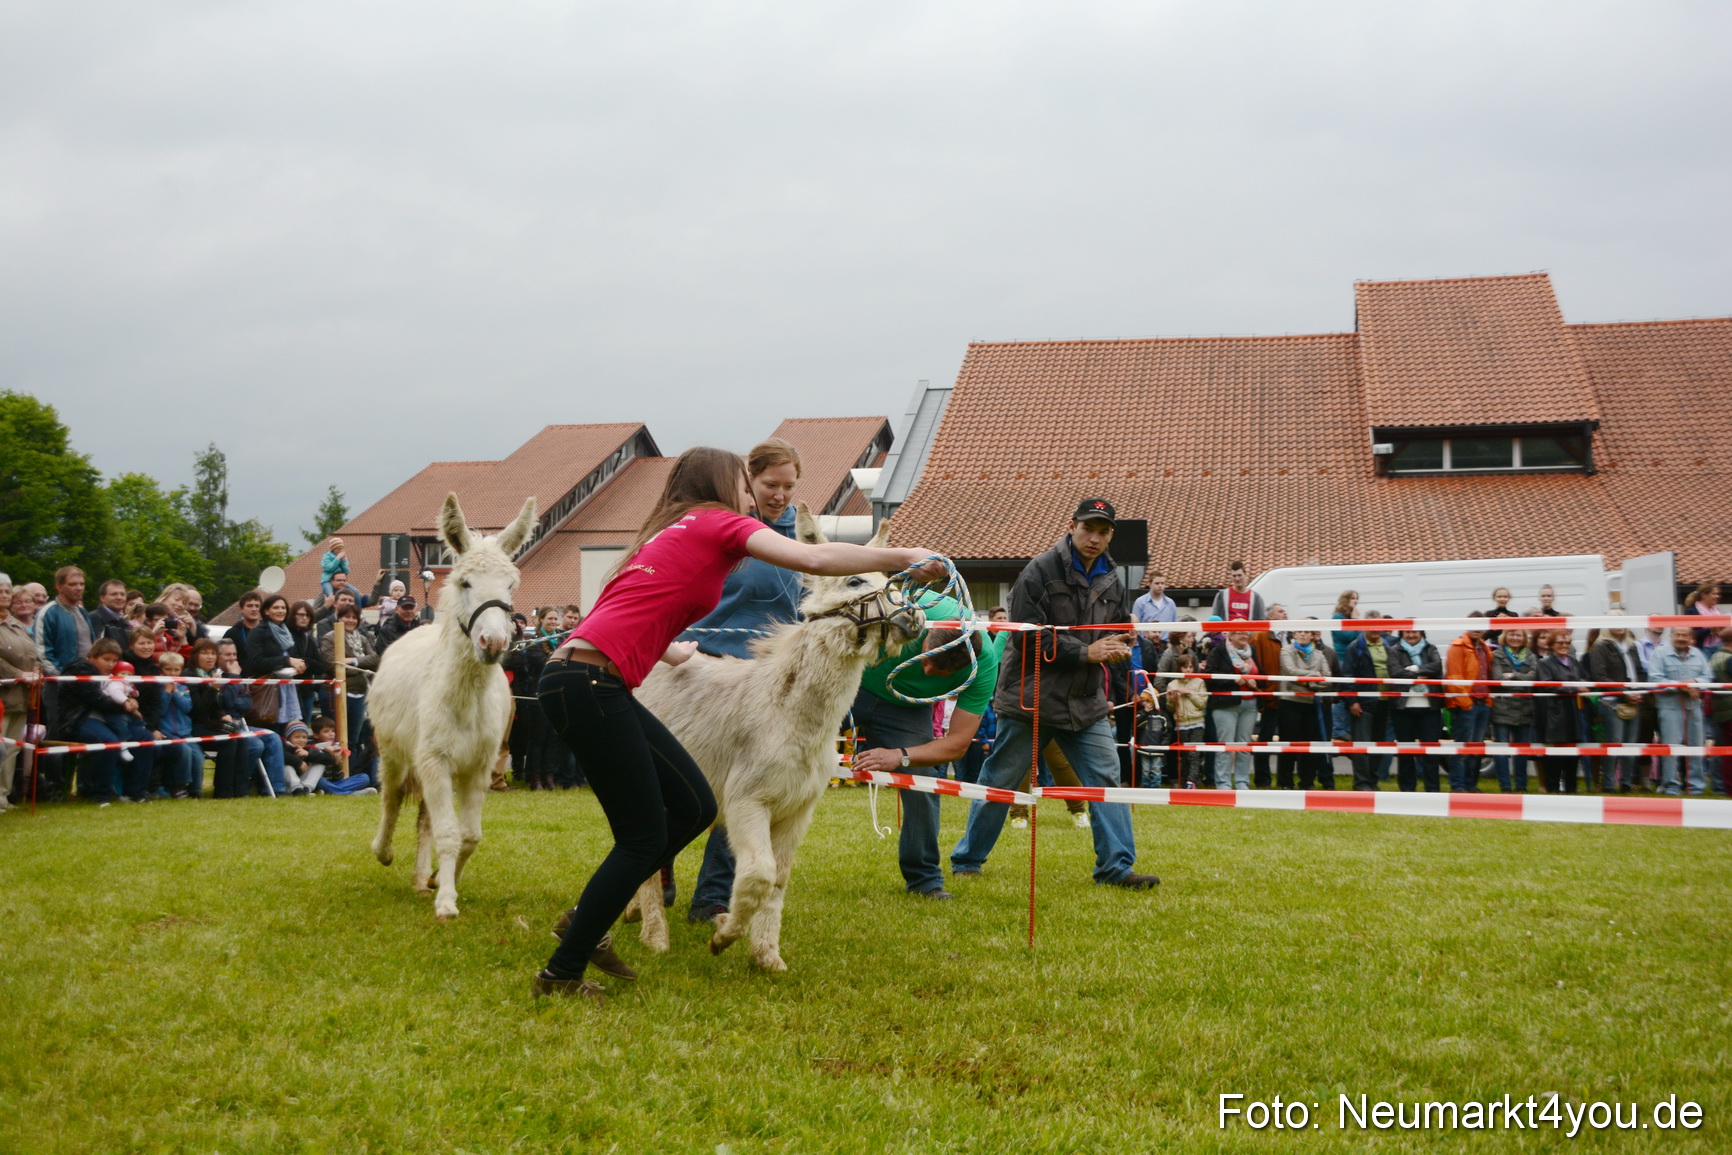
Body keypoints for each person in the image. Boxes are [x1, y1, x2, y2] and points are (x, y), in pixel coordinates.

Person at [532, 445, 942, 1002]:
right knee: (644, 834)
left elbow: (626, 605)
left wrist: (671, 650)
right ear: (726, 487)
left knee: (695, 807)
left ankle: (584, 922)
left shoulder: (668, 532)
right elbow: (814, 560)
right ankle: (565, 966)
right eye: (748, 488)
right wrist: (905, 557)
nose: (758, 498)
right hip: (589, 687)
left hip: (583, 680)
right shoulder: (718, 521)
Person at [950, 497, 1158, 892]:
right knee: (1000, 781)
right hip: (1032, 698)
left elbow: (1112, 635)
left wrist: (1121, 657)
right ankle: (967, 860)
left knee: (1105, 781)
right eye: (1088, 528)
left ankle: (1116, 868)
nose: (1095, 538)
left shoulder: (1114, 579)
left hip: (1086, 702)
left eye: (1103, 531)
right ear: (1072, 526)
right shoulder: (1038, 572)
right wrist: (1087, 652)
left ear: (1111, 535)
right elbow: (1028, 639)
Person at [678, 438, 806, 922]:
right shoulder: (725, 530)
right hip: (702, 669)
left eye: (789, 486)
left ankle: (712, 898)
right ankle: (655, 874)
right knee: (685, 784)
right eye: (770, 485)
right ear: (748, 483)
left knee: (745, 790)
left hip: (765, 680)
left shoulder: (796, 535)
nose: (779, 495)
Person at [850, 594, 1003, 896]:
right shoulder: (904, 606)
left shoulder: (984, 666)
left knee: (925, 783)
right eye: (928, 660)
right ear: (924, 632)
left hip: (906, 709)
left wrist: (900, 756)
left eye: (943, 673)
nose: (928, 673)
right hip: (850, 682)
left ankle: (925, 880)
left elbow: (957, 744)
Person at [55, 638, 157, 803]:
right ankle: (100, 795)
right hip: (78, 719)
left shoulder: (111, 675)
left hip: (109, 719)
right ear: (92, 656)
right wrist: (126, 705)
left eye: (115, 660)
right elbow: (96, 699)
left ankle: (135, 793)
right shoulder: (80, 669)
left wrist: (130, 701)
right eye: (106, 659)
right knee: (109, 743)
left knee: (144, 739)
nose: (111, 664)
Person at [212, 637, 288, 796]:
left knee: (272, 737)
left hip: (241, 723)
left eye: (234, 654)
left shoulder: (237, 675)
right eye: (227, 655)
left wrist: (234, 682)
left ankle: (276, 789)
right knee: (255, 745)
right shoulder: (216, 677)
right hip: (223, 726)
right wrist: (233, 677)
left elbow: (246, 704)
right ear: (217, 657)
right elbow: (226, 702)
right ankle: (241, 783)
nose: (232, 658)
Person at [504, 607, 565, 791]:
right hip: (536, 695)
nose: (553, 622)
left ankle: (549, 775)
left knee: (552, 738)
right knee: (537, 738)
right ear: (541, 619)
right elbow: (541, 662)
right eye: (550, 618)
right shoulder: (534, 642)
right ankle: (535, 776)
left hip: (557, 693)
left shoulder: (562, 640)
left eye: (556, 619)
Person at [319, 603, 380, 783]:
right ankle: (336, 776)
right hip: (336, 693)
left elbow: (375, 659)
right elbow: (333, 666)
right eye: (347, 616)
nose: (351, 620)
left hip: (360, 693)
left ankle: (350, 777)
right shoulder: (330, 638)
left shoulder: (362, 638)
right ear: (339, 617)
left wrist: (352, 662)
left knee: (352, 740)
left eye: (354, 617)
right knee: (336, 739)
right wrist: (361, 667)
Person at [0, 573, 45, 811]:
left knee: (13, 747)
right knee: (0, 744)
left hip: (21, 696)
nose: (4, 596)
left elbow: (32, 652)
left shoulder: (16, 624)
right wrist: (18, 673)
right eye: (0, 591)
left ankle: (3, 796)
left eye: (7, 591)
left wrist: (37, 670)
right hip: (3, 694)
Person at [1588, 612, 1646, 792]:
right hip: (1613, 702)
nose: (1620, 625)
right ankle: (1608, 784)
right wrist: (1624, 694)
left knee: (1630, 744)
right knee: (1614, 743)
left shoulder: (1632, 646)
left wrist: (1641, 691)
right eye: (1615, 621)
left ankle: (1626, 784)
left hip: (1635, 700)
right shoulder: (1600, 647)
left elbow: (1640, 671)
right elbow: (1600, 676)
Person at [1652, 627, 1712, 797]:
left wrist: (1694, 682)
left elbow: (1707, 677)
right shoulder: (1660, 654)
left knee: (1696, 746)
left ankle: (1695, 786)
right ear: (1671, 637)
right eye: (1677, 635)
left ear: (1691, 638)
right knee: (1671, 748)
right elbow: (1655, 679)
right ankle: (1670, 785)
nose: (1681, 638)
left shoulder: (1698, 654)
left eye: (1685, 635)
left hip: (1694, 707)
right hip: (1670, 707)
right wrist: (1681, 686)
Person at [1341, 612, 1391, 791]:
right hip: (1364, 702)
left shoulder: (1387, 644)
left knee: (1379, 744)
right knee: (1362, 744)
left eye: (1378, 625)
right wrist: (1352, 701)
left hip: (1385, 702)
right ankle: (1361, 782)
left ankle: (1372, 780)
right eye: (1371, 625)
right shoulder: (1356, 647)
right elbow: (1347, 676)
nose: (1376, 629)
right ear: (1364, 626)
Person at [1203, 630, 1259, 790]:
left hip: (1250, 705)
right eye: (1238, 633)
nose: (1243, 635)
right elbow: (1210, 676)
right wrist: (1234, 679)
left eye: (1245, 633)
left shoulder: (1252, 650)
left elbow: (1260, 671)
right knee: (1225, 746)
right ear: (1230, 636)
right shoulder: (1218, 651)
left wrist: (1256, 681)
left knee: (1244, 746)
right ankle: (1223, 784)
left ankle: (1242, 782)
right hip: (1225, 705)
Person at [1444, 613, 1494, 793]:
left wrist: (1488, 701)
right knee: (1462, 747)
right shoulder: (1457, 646)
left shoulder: (1485, 648)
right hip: (1466, 705)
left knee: (1476, 748)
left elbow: (1488, 675)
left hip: (1482, 704)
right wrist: (1465, 703)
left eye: (1480, 625)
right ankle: (1457, 785)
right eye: (1473, 624)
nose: (1477, 628)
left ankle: (1471, 784)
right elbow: (1454, 677)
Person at [1277, 629, 1332, 789]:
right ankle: (1285, 782)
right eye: (1299, 631)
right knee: (1288, 744)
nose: (1302, 634)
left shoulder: (1319, 654)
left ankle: (1307, 782)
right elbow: (1290, 671)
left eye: (1306, 632)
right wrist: (1315, 675)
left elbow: (1327, 678)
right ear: (1294, 635)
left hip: (1311, 703)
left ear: (1312, 635)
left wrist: (1306, 682)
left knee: (1310, 745)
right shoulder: (1286, 650)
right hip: (1290, 701)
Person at [1390, 630, 1444, 792]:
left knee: (1431, 753)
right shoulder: (1394, 650)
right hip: (1402, 709)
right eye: (1407, 632)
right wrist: (1422, 674)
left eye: (1415, 632)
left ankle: (1432, 790)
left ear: (1421, 633)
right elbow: (1395, 672)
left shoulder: (1431, 648)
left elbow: (1437, 667)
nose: (1411, 635)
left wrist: (1414, 669)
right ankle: (1407, 790)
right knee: (1405, 754)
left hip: (1430, 708)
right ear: (1402, 634)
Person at [1534, 631, 1587, 794]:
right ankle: (1553, 787)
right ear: (1551, 645)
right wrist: (1573, 687)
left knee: (1573, 753)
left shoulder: (1573, 662)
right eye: (1560, 643)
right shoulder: (1545, 664)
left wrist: (1584, 685)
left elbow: (1584, 678)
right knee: (1556, 755)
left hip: (1573, 712)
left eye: (1567, 642)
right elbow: (1547, 684)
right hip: (1555, 714)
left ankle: (1571, 787)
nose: (1564, 646)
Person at [243, 594, 306, 730]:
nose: (280, 611)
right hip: (268, 691)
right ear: (266, 611)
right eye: (276, 607)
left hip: (289, 689)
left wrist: (299, 665)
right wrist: (287, 660)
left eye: (283, 608)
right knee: (273, 732)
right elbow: (257, 662)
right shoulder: (257, 633)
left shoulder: (288, 632)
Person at [1488, 627, 1538, 793]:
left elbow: (1534, 679)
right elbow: (1499, 679)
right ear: (1505, 636)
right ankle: (1505, 785)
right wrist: (1522, 677)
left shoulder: (1531, 655)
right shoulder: (1497, 654)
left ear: (1524, 637)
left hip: (1525, 707)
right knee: (1501, 749)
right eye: (1511, 634)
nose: (1515, 637)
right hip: (1503, 707)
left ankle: (1521, 785)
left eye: (1518, 634)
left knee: (1521, 750)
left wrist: (1513, 675)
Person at [1165, 652, 1209, 789]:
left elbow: (1202, 703)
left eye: (1190, 667)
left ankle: (1191, 782)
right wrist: (1172, 699)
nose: (1188, 670)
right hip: (1181, 723)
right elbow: (1170, 708)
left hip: (1197, 722)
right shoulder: (1172, 684)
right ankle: (1184, 781)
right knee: (1184, 755)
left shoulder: (1200, 682)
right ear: (1179, 668)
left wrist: (1190, 694)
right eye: (1185, 667)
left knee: (1194, 753)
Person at [40, 566, 95, 674]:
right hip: (61, 683)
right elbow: (42, 654)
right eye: (73, 584)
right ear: (59, 587)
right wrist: (62, 676)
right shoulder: (48, 613)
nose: (79, 588)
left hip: (86, 678)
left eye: (82, 584)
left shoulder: (83, 611)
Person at [1328, 590, 1360, 741]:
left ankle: (1346, 727)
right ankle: (1338, 728)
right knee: (1342, 694)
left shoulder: (1350, 617)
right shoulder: (1337, 617)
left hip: (1352, 659)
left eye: (1356, 599)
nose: (1355, 601)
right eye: (1353, 598)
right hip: (1341, 659)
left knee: (1351, 693)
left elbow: (1359, 636)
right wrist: (1355, 621)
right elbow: (1348, 636)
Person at [1131, 571, 1177, 669]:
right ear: (1150, 584)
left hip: (1165, 645)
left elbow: (1174, 626)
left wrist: (1171, 643)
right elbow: (1135, 625)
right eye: (1157, 583)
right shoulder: (1140, 602)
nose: (1160, 586)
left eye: (1162, 583)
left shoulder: (1170, 603)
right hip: (1147, 645)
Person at [1710, 628, 1732, 795]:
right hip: (1729, 710)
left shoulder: (1716, 656)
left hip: (1722, 711)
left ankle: (1723, 786)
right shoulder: (1729, 659)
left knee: (1724, 750)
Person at [89, 579, 132, 648]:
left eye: (122, 594)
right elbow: (97, 649)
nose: (119, 597)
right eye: (114, 594)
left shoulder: (124, 622)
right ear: (102, 598)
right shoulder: (95, 618)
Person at [1686, 583, 1724, 655]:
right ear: (1704, 595)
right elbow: (1689, 634)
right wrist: (1709, 630)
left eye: (1718, 594)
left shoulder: (1717, 611)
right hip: (1701, 650)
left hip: (1719, 648)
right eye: (1714, 594)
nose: (1717, 596)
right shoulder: (1692, 611)